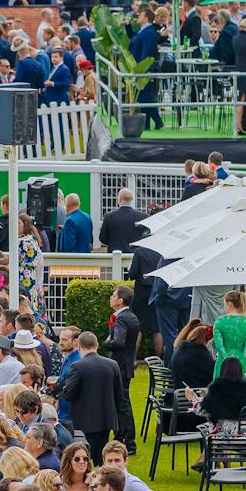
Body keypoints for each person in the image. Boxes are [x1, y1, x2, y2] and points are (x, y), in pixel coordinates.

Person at [58, 331, 120, 462]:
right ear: (97, 345)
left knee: (85, 456)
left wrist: (59, 390)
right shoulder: (112, 364)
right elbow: (119, 395)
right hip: (106, 418)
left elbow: (69, 393)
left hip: (84, 420)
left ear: (79, 346)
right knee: (101, 454)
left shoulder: (78, 366)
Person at [105, 286, 140, 446]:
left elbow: (118, 342)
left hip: (120, 366)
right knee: (122, 403)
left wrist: (106, 342)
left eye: (113, 295)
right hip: (126, 365)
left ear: (120, 301)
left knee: (122, 404)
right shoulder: (131, 316)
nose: (111, 298)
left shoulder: (121, 318)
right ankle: (121, 436)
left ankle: (127, 440)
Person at [99, 188, 147, 254]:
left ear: (119, 199)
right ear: (131, 200)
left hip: (114, 257)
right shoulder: (143, 216)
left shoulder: (109, 216)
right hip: (135, 257)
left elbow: (103, 239)